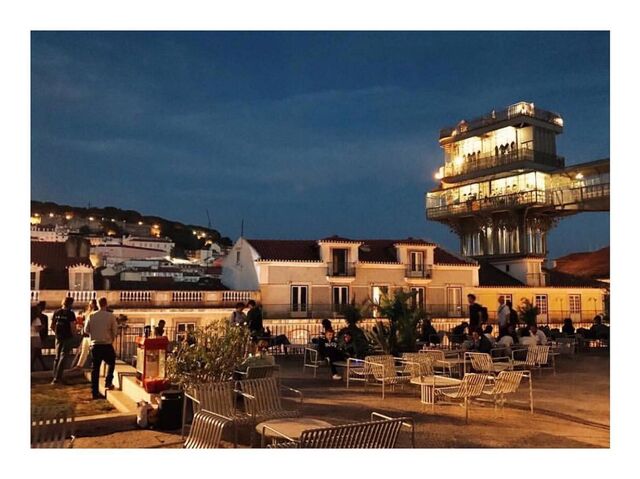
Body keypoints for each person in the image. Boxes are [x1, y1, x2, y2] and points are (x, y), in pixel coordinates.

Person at [84, 297, 118, 400]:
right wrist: (111, 337)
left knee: (95, 369)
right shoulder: (110, 316)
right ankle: (108, 381)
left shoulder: (91, 315)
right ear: (106, 304)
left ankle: (94, 392)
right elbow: (115, 331)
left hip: (95, 345)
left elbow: (86, 330)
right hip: (106, 344)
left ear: (97, 304)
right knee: (111, 361)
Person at [51, 296, 77, 385]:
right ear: (70, 304)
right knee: (63, 356)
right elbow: (72, 326)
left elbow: (52, 326)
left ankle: (54, 377)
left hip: (58, 337)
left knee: (57, 357)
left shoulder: (56, 312)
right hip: (67, 337)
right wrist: (74, 335)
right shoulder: (70, 314)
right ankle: (58, 377)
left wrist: (57, 333)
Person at [71, 299, 98, 371]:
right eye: (90, 304)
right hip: (86, 334)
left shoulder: (95, 314)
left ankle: (92, 365)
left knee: (93, 351)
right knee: (84, 350)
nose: (91, 305)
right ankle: (79, 365)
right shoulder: (87, 313)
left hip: (93, 334)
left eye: (92, 304)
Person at [31, 305, 46, 371]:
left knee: (37, 352)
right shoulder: (37, 319)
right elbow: (37, 329)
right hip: (35, 337)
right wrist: (42, 326)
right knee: (36, 352)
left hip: (31, 336)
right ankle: (31, 366)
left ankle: (44, 366)